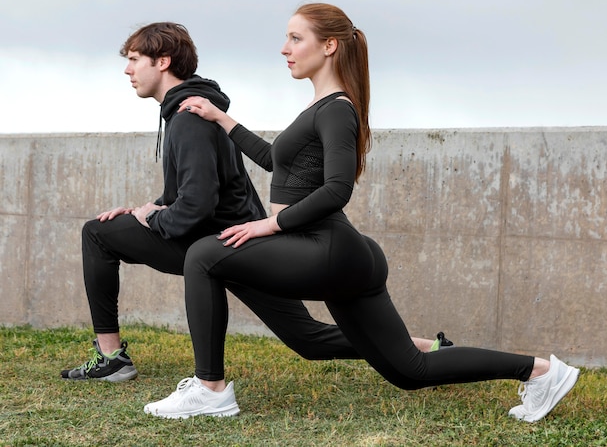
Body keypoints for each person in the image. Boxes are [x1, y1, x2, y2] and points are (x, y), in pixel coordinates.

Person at [144, 3, 579, 423]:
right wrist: (222, 119)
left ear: (329, 46)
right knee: (410, 370)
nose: (285, 48)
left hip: (326, 246)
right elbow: (276, 160)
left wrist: (268, 225)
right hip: (344, 255)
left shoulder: (337, 109)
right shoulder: (322, 106)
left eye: (296, 38)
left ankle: (210, 390)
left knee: (204, 254)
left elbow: (337, 190)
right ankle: (541, 371)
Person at [60, 21, 448, 383]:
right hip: (242, 237)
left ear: (162, 63)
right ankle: (427, 348)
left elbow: (196, 204)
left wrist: (152, 221)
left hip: (220, 241)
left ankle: (113, 359)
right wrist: (144, 211)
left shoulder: (189, 118)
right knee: (307, 340)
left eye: (133, 60)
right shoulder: (196, 110)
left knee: (97, 233)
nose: (127, 70)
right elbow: (193, 191)